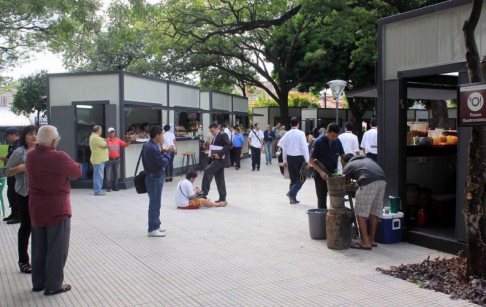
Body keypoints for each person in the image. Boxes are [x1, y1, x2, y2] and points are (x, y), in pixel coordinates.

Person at [26, 125, 82, 295]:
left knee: (39, 247)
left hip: (36, 207)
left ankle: (38, 282)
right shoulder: (59, 157)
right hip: (57, 208)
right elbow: (77, 172)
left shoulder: (31, 155)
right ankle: (54, 285)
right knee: (57, 248)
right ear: (53, 141)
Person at [6, 125, 38, 274]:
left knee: (39, 227)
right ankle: (23, 260)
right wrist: (19, 168)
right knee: (26, 226)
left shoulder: (41, 151)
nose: (34, 136)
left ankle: (38, 259)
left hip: (41, 194)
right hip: (24, 193)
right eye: (31, 134)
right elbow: (6, 171)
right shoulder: (20, 152)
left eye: (36, 134)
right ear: (24, 136)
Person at [342, 154, 387, 250]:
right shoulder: (367, 160)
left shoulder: (349, 165)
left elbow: (341, 179)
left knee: (360, 212)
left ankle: (365, 243)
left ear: (344, 162)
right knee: (373, 212)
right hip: (382, 180)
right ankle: (371, 240)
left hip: (368, 181)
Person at [309, 123, 345, 209]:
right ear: (327, 132)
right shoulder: (318, 142)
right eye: (332, 136)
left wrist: (346, 168)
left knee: (336, 197)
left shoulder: (337, 141)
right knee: (322, 197)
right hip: (320, 174)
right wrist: (321, 172)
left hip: (333, 173)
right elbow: (311, 160)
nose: (334, 138)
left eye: (336, 136)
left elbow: (343, 157)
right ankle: (322, 218)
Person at [142, 126, 170, 237]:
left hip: (153, 177)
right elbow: (163, 162)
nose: (162, 137)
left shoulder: (148, 145)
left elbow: (156, 158)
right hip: (154, 178)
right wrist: (168, 153)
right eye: (162, 134)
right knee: (154, 203)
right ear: (157, 135)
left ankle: (156, 224)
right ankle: (153, 228)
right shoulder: (152, 147)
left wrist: (163, 151)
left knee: (156, 203)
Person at [197, 123, 231, 202]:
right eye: (210, 131)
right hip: (216, 159)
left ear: (216, 129)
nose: (212, 133)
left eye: (212, 131)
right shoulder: (214, 137)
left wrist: (219, 154)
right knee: (219, 179)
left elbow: (228, 145)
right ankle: (222, 198)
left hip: (221, 159)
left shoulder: (223, 135)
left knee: (208, 170)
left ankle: (204, 192)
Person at [279, 117, 309, 204]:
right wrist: (307, 160)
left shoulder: (287, 134)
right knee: (302, 177)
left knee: (293, 179)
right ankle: (292, 193)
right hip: (299, 158)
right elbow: (304, 147)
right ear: (298, 124)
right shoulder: (301, 133)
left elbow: (284, 148)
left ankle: (292, 198)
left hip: (289, 158)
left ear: (290, 124)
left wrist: (284, 160)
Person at [1, 127, 21, 224]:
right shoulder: (12, 145)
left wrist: (4, 159)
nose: (7, 138)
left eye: (8, 136)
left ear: (14, 135)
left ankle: (18, 215)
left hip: (16, 175)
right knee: (11, 194)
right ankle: (14, 213)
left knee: (16, 195)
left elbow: (15, 162)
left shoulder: (19, 146)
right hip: (10, 175)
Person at [106, 127, 131, 192]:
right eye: (110, 132)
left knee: (116, 173)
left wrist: (129, 141)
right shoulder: (106, 141)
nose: (112, 134)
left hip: (117, 159)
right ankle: (108, 187)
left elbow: (125, 145)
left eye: (113, 132)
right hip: (109, 159)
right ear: (108, 133)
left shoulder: (118, 140)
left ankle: (115, 186)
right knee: (108, 173)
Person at [89, 125, 108, 196]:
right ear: (98, 131)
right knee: (98, 176)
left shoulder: (95, 137)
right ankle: (97, 191)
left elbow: (104, 140)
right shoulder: (95, 138)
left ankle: (98, 190)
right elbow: (105, 144)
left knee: (99, 175)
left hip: (99, 159)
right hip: (98, 160)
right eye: (101, 130)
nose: (101, 131)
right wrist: (106, 142)